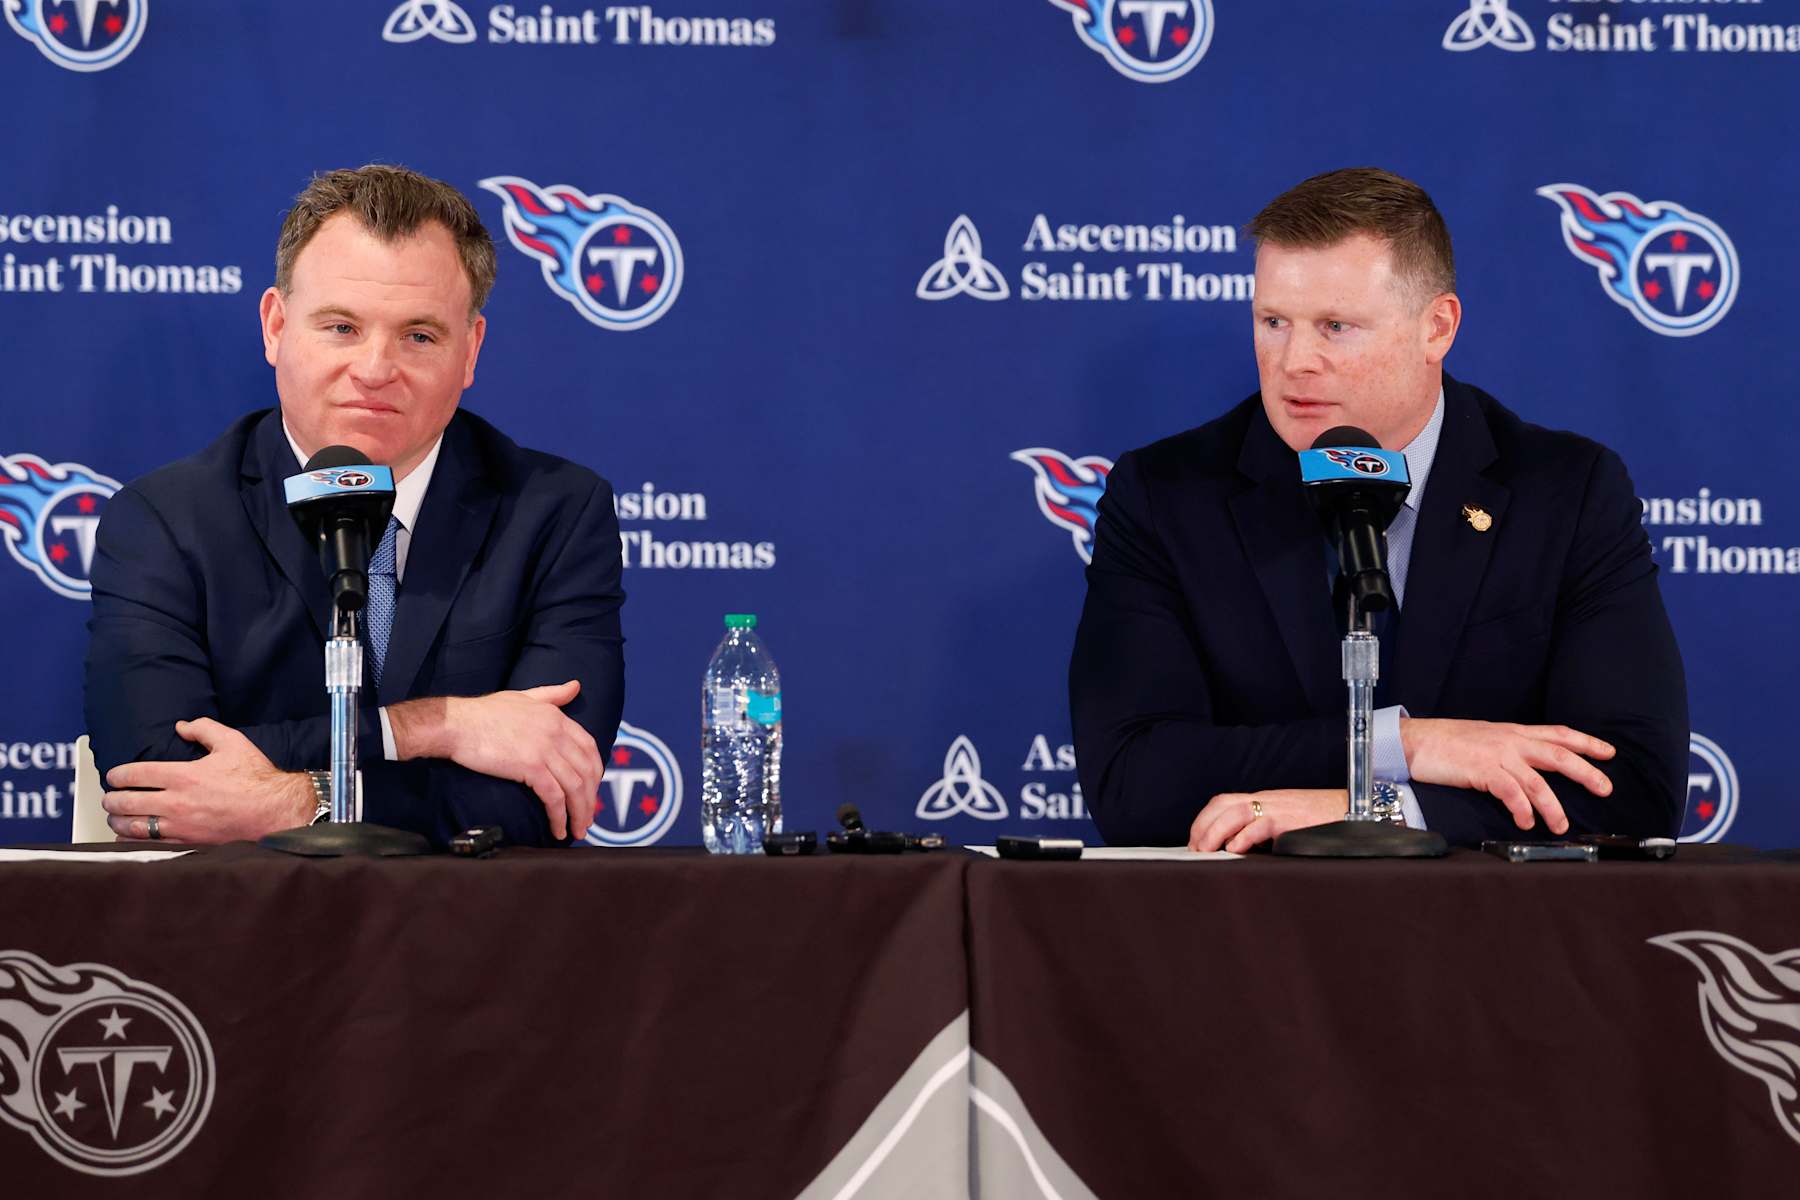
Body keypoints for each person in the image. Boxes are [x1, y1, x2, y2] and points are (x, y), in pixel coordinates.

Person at [1069, 167, 1687, 851]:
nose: (1295, 360)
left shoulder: (1566, 494)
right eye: (1273, 322)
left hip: (1491, 942)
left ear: (1437, 328)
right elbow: (1132, 781)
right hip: (1248, 939)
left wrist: (1374, 809)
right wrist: (1407, 745)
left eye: (1336, 326)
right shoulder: (1166, 496)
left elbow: (1632, 790)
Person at [85, 165, 624, 848]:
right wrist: (443, 725)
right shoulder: (165, 521)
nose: (375, 369)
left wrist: (287, 800)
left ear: (471, 351)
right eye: (341, 327)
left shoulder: (554, 514)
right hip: (235, 935)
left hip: (474, 938)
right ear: (277, 327)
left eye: (419, 336)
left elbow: (540, 797)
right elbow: (158, 782)